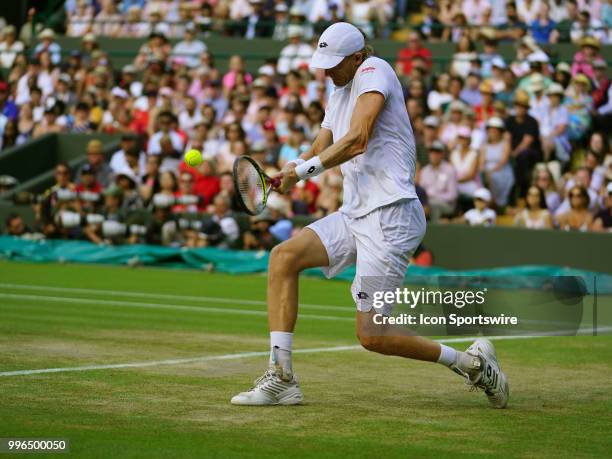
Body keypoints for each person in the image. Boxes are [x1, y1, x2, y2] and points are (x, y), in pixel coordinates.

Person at [231, 22, 508, 408]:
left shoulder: (375, 72)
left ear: (359, 56)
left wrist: (309, 170)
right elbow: (325, 139)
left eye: (334, 63)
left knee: (372, 336)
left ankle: (473, 364)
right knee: (284, 258)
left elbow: (358, 138)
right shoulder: (337, 86)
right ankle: (282, 378)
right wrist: (295, 166)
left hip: (391, 218)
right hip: (356, 212)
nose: (327, 71)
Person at [480, 117, 514, 207]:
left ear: (500, 132)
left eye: (495, 130)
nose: (492, 132)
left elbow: (503, 161)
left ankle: (495, 203)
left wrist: (490, 172)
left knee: (493, 177)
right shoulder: (484, 145)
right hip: (488, 171)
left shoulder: (505, 144)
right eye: (491, 130)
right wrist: (483, 171)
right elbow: (482, 162)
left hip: (501, 171)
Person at [419, 141, 458, 221]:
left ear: (442, 154)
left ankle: (434, 229)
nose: (434, 155)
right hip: (426, 201)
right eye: (432, 152)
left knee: (433, 204)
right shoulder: (424, 171)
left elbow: (453, 195)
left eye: (437, 152)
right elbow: (421, 189)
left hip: (447, 204)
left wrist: (435, 195)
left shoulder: (450, 170)